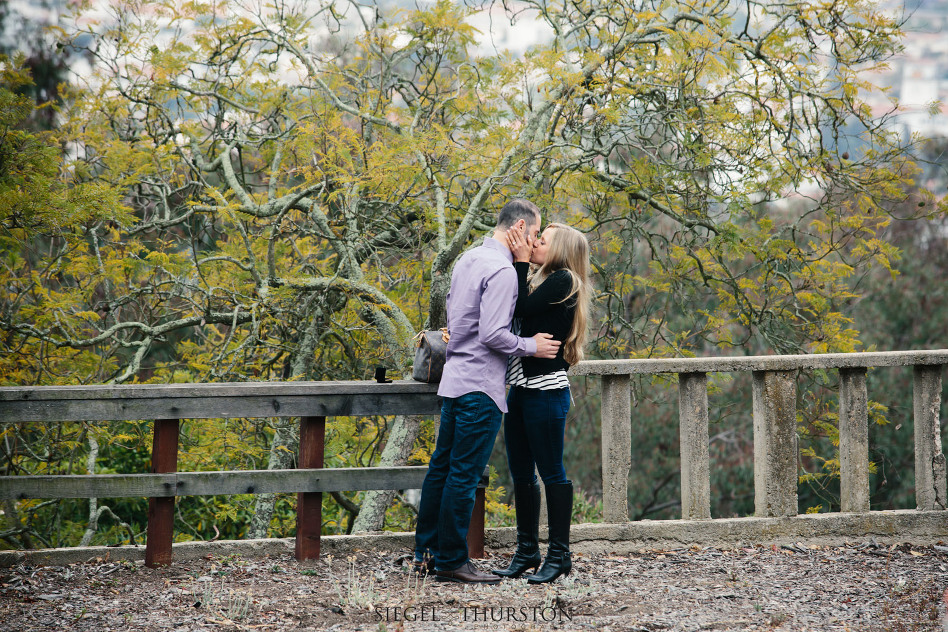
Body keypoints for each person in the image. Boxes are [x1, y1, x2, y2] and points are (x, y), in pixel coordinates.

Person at [413, 199, 562, 585]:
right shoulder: (499, 270)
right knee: (462, 475)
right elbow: (493, 334)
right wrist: (532, 345)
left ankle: (426, 554)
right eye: (534, 235)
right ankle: (451, 561)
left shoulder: (469, 258)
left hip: (455, 380)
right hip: (480, 385)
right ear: (521, 229)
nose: (533, 243)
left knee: (441, 469)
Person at [492, 222, 591, 584]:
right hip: (520, 388)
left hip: (546, 391)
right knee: (521, 473)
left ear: (560, 251)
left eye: (542, 240)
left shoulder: (564, 280)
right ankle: (527, 551)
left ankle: (560, 554)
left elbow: (518, 306)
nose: (534, 243)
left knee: (552, 473)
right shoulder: (542, 279)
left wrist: (519, 261)